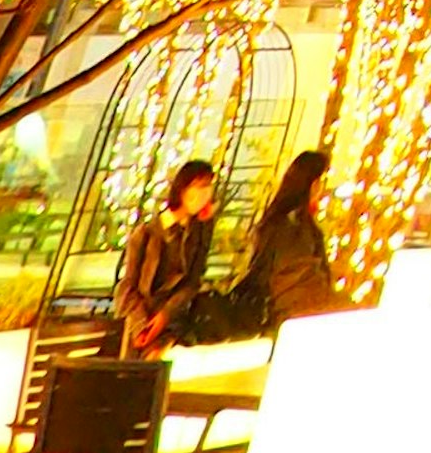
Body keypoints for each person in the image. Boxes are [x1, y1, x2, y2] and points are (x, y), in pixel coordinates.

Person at [208, 148, 343, 335]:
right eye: (322, 182)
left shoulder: (288, 222)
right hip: (296, 309)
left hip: (297, 306)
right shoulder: (292, 225)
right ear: (312, 184)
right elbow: (296, 275)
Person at [115, 160, 217, 355]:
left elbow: (193, 280)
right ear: (183, 188)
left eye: (208, 186)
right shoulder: (147, 233)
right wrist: (141, 325)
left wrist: (165, 315)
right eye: (200, 185)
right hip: (140, 321)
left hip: (175, 322)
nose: (205, 193)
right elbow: (128, 286)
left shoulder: (200, 231)